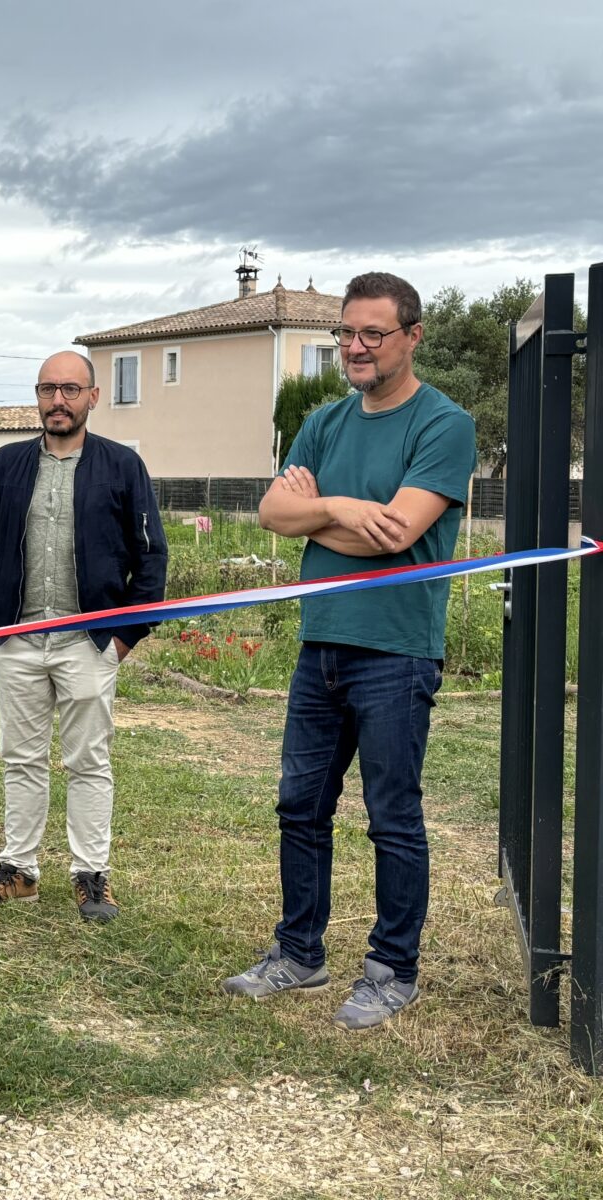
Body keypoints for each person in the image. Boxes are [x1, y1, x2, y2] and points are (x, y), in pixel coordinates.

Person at [223, 271, 476, 1030]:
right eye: (345, 334)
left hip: (396, 651)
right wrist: (333, 507)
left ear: (412, 336)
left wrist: (316, 515)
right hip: (321, 643)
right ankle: (298, 953)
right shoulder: (328, 423)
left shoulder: (443, 423)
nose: (356, 348)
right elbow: (273, 511)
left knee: (391, 815)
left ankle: (393, 969)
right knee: (300, 807)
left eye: (373, 334)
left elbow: (398, 531)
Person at [0, 351, 167, 921]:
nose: (59, 400)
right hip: (18, 639)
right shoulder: (5, 466)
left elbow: (151, 558)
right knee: (20, 758)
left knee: (88, 760)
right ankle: (20, 870)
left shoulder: (122, 466)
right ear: (37, 394)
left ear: (92, 397)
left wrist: (124, 636)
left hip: (89, 640)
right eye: (49, 389)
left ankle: (91, 875)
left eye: (71, 390)